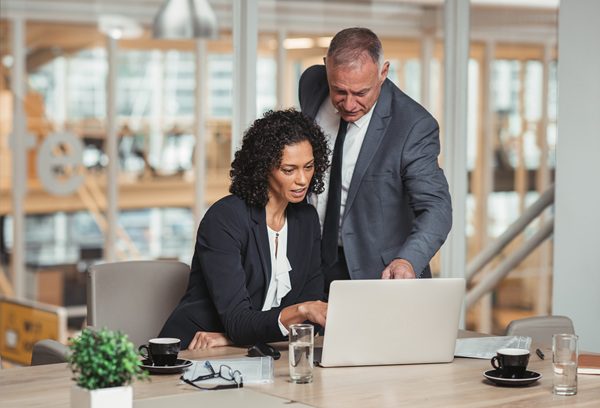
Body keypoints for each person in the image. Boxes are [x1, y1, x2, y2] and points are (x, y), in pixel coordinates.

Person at [160, 109, 329, 349]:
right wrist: (301, 311)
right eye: (288, 170)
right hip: (193, 352)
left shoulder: (306, 219)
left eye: (309, 166)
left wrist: (229, 339)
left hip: (248, 351)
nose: (302, 179)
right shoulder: (225, 219)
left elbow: (314, 321)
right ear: (263, 168)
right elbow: (239, 321)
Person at [299, 27, 452, 292]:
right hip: (312, 262)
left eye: (360, 93)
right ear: (326, 68)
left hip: (377, 272)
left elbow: (437, 208)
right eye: (340, 91)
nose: (348, 104)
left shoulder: (413, 126)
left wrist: (408, 260)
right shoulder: (311, 84)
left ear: (383, 73)